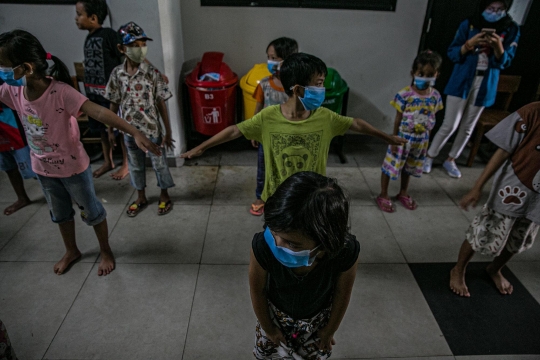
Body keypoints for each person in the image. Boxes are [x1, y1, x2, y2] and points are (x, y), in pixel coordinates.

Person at [0, 29, 161, 275]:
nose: (1, 72)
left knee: (92, 212)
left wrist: (134, 131)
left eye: (4, 66)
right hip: (43, 168)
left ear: (27, 68)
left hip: (73, 169)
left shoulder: (60, 92)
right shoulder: (13, 91)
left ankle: (105, 250)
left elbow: (98, 111)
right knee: (60, 214)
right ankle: (71, 250)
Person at [181, 53, 407, 203]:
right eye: (318, 84)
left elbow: (356, 123)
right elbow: (234, 131)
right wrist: (202, 147)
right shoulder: (268, 117)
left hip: (312, 196)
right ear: (298, 90)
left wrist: (386, 137)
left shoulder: (325, 117)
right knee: (278, 244)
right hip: (277, 197)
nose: (323, 89)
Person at [249, 171, 360, 359]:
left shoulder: (345, 252)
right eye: (273, 231)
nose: (276, 243)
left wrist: (329, 330)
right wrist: (269, 329)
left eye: (292, 244)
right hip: (274, 319)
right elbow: (257, 290)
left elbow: (342, 294)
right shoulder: (263, 246)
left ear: (326, 242)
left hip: (316, 325)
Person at [450, 101, 540, 297]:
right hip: (512, 192)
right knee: (482, 231)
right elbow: (503, 151)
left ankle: (495, 268)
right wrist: (477, 187)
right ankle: (458, 269)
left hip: (537, 201)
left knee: (519, 238)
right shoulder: (531, 113)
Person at [424, 0, 519, 178]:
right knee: (450, 124)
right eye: (491, 8)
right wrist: (470, 43)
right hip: (461, 80)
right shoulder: (469, 24)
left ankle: (451, 159)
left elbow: (506, 61)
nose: (495, 12)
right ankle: (430, 155)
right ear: (484, 7)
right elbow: (452, 53)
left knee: (468, 126)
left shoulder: (511, 29)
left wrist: (498, 47)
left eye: (500, 9)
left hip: (486, 82)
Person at [105, 22, 174, 217]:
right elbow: (113, 103)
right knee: (135, 166)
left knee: (160, 165)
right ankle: (141, 196)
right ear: (122, 48)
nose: (140, 50)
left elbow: (161, 104)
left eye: (143, 45)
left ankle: (164, 195)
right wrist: (111, 130)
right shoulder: (117, 74)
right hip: (128, 132)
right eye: (134, 46)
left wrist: (167, 132)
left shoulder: (152, 74)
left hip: (152, 131)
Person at [377, 50, 444, 213]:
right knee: (390, 166)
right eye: (421, 73)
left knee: (409, 166)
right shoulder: (404, 94)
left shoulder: (435, 96)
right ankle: (383, 194)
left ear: (436, 74)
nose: (425, 77)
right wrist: (393, 138)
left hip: (421, 139)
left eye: (429, 74)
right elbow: (398, 118)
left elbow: (431, 117)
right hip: (402, 138)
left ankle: (403, 192)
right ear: (413, 73)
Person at [76, 0, 128, 180]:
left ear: (93, 18)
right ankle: (108, 161)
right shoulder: (89, 38)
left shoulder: (108, 35)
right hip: (93, 95)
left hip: (110, 95)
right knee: (100, 130)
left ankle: (126, 164)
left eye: (79, 14)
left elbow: (125, 57)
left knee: (119, 130)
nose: (76, 19)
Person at [250, 37, 298, 216]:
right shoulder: (264, 84)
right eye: (269, 57)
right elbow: (258, 109)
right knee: (264, 168)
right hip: (267, 138)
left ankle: (286, 198)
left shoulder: (296, 87)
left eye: (275, 58)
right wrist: (254, 131)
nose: (270, 62)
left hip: (290, 137)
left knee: (288, 168)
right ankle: (261, 197)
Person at [0, 96, 37, 216]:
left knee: (34, 164)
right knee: (8, 165)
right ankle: (22, 198)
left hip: (10, 119)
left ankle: (60, 194)